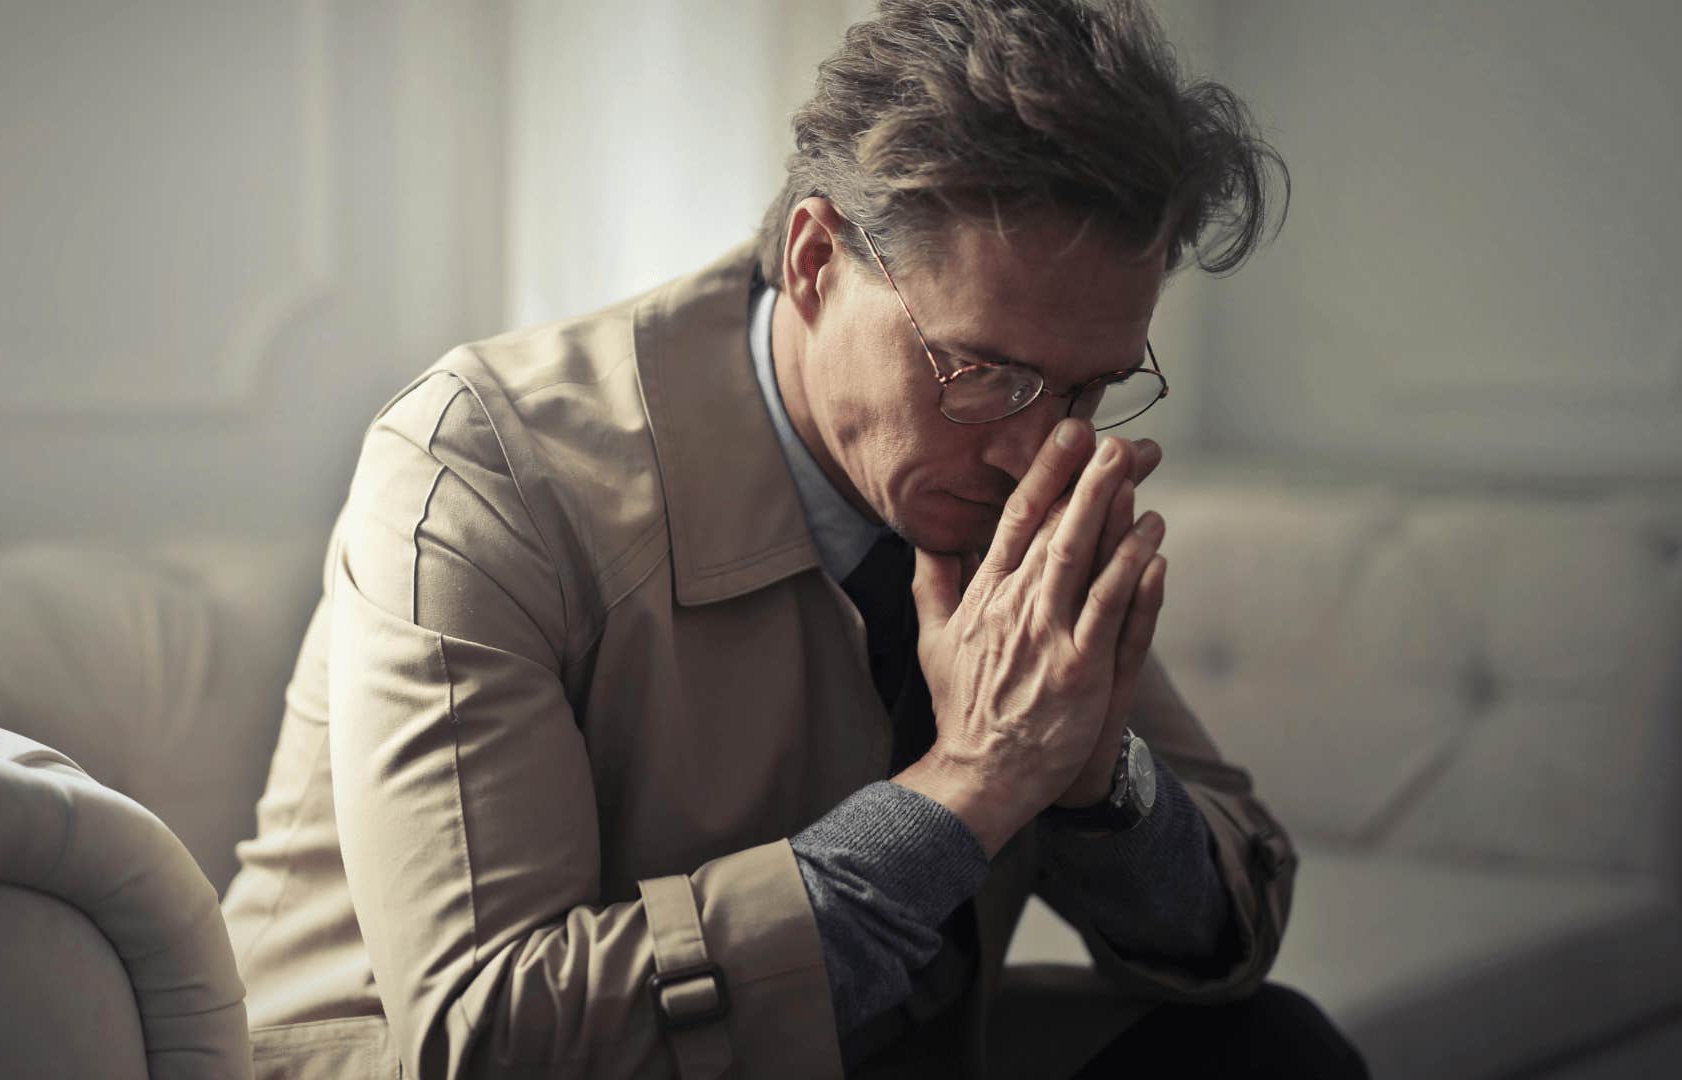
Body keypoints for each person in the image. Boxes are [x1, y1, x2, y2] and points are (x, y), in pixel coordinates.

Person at [221, 1, 1368, 1076]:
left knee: (1272, 1052)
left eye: (1089, 388)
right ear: (817, 259)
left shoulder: (1009, 470)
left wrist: (1090, 774)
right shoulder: (484, 465)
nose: (1036, 450)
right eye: (986, 373)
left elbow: (1233, 922)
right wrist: (971, 784)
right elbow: (488, 1035)